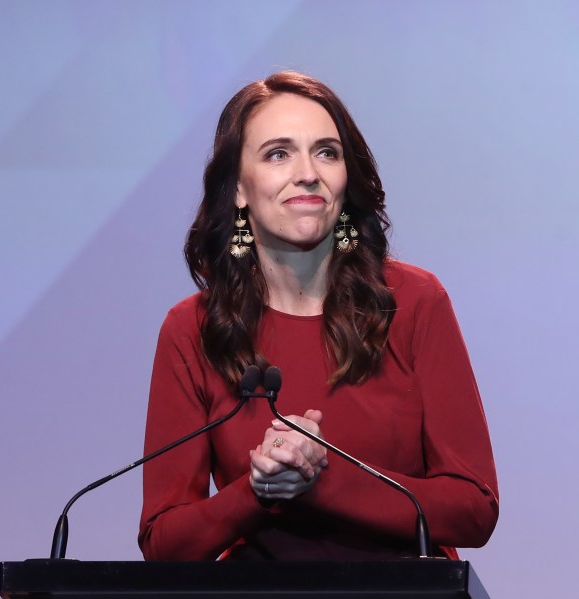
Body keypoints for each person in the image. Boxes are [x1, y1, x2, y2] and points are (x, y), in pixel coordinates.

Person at [139, 71, 498, 561]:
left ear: (346, 180)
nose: (308, 172)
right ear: (238, 188)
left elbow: (474, 506)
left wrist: (321, 475)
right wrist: (259, 490)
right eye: (278, 154)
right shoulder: (193, 329)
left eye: (327, 152)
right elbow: (164, 541)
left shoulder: (414, 302)